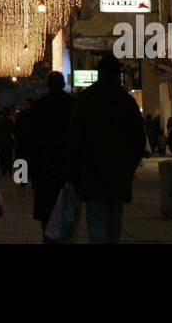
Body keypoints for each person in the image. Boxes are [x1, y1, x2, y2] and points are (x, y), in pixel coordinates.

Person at [67, 52, 147, 243]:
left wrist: (74, 173)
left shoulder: (85, 100)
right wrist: (130, 167)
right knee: (114, 223)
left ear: (99, 73)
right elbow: (138, 139)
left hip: (92, 173)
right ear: (117, 74)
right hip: (118, 173)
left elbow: (75, 139)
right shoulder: (126, 102)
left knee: (96, 221)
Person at [27, 71, 75, 240]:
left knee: (46, 209)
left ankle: (47, 237)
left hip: (44, 165)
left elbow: (31, 140)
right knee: (67, 208)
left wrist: (28, 170)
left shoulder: (40, 106)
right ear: (62, 84)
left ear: (47, 85)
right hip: (67, 165)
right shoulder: (72, 104)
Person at [0, 107, 16, 177]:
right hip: (8, 141)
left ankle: (4, 171)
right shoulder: (10, 121)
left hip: (1, 142)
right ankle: (9, 170)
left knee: (2, 157)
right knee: (9, 156)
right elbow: (13, 130)